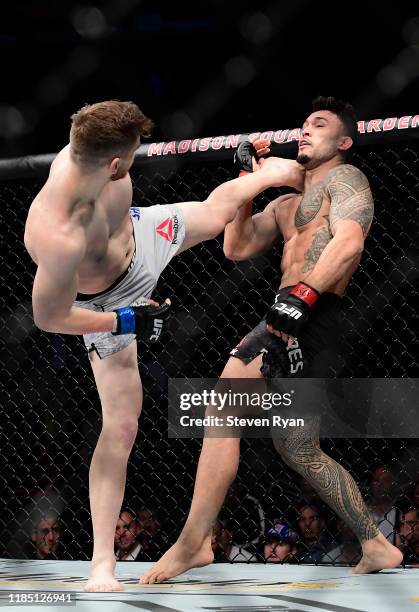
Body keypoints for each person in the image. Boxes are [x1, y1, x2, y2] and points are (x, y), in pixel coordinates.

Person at [24, 100, 304, 592]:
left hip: (140, 230)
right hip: (108, 296)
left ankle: (262, 174)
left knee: (216, 216)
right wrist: (126, 318)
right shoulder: (58, 230)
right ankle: (102, 565)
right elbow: (48, 317)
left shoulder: (96, 153)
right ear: (114, 165)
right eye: (132, 154)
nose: (136, 158)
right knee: (122, 425)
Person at [141, 95, 403, 584]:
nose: (305, 129)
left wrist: (302, 295)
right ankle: (376, 542)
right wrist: (246, 185)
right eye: (303, 122)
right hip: (296, 314)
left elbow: (349, 242)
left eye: (319, 124)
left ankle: (194, 542)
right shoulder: (286, 202)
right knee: (297, 447)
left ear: (343, 140)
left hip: (310, 312)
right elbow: (236, 246)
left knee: (224, 404)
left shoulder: (346, 179)